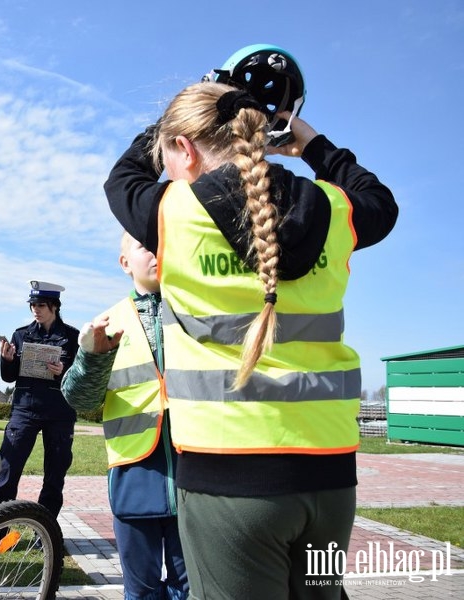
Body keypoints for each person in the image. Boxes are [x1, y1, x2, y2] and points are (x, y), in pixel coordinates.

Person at [104, 46, 397, 598]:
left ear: (183, 148)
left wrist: (203, 96)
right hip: (330, 481)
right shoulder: (333, 210)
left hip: (230, 483)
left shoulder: (174, 213)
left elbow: (122, 177)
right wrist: (308, 141)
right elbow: (379, 200)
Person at [62, 231, 188, 600]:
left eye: (163, 240)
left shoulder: (198, 312)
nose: (156, 250)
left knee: (193, 588)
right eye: (144, 244)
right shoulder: (109, 321)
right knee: (142, 591)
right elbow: (80, 399)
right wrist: (93, 357)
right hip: (135, 475)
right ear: (124, 263)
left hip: (195, 474)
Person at [0, 280, 79, 520]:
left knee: (54, 475)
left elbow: (81, 375)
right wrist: (7, 360)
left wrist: (64, 369)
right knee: (8, 470)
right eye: (32, 305)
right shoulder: (20, 335)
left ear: (54, 306)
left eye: (41, 305)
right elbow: (8, 377)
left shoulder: (72, 337)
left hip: (59, 412)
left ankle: (46, 529)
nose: (35, 310)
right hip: (25, 409)